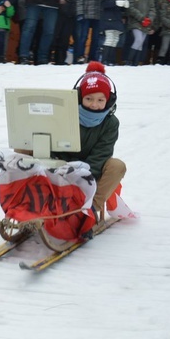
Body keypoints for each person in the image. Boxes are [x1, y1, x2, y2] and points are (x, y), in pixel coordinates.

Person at [56, 61, 125, 220]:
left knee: (117, 166)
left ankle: (91, 209)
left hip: (91, 171)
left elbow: (101, 155)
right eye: (89, 99)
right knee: (25, 148)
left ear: (108, 101)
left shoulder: (111, 123)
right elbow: (56, 145)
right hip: (62, 166)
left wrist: (81, 177)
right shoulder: (65, 114)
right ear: (80, 98)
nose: (94, 105)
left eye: (100, 100)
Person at [124, 0, 155, 66]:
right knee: (138, 39)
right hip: (135, 22)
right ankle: (129, 61)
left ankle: (136, 62)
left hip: (146, 22)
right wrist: (142, 18)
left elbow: (152, 8)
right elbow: (130, 8)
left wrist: (149, 19)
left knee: (141, 42)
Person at [100, 0, 128, 66]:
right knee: (110, 37)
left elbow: (121, 6)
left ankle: (111, 59)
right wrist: (116, 3)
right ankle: (104, 59)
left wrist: (124, 5)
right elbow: (103, 3)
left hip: (117, 18)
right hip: (108, 18)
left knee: (115, 38)